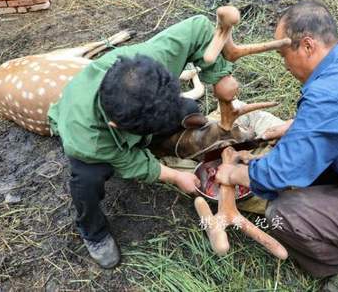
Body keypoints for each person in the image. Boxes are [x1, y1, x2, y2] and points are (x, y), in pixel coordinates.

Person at [216, 0, 338, 292]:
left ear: (307, 46)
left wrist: (232, 175)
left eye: (284, 54)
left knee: (283, 214)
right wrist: (295, 126)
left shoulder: (327, 96)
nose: (284, 64)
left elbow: (279, 174)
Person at [47, 15, 235, 268]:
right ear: (117, 126)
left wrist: (221, 77)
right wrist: (174, 176)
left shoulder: (154, 58)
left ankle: (164, 133)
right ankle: (93, 231)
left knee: (189, 108)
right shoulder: (87, 137)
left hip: (138, 109)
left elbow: (200, 27)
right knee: (87, 180)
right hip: (92, 138)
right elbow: (128, 162)